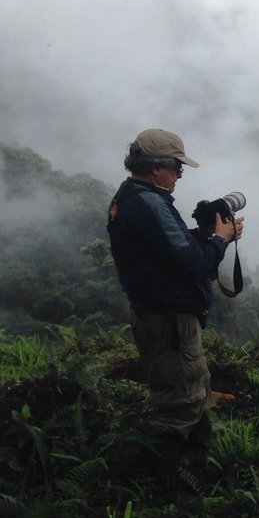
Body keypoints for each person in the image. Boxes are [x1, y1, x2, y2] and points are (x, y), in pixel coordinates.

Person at [107, 128, 244, 452]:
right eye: (177, 168)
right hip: (169, 323)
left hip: (152, 316)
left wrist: (207, 234)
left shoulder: (128, 196)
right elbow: (196, 264)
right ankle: (156, 471)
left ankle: (198, 460)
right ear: (157, 168)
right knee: (178, 405)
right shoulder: (153, 204)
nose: (179, 175)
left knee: (191, 392)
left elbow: (166, 251)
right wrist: (220, 239)